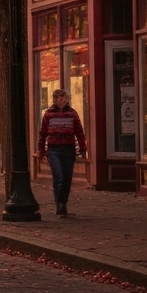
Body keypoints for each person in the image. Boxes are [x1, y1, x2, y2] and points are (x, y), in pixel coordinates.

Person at [36, 89, 87, 217]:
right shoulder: (48, 114)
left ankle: (63, 203)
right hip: (54, 150)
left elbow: (79, 132)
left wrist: (82, 148)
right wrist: (41, 150)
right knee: (59, 177)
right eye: (60, 98)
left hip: (68, 149)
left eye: (65, 98)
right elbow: (43, 133)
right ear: (55, 100)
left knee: (67, 178)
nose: (63, 101)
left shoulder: (72, 114)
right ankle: (59, 203)